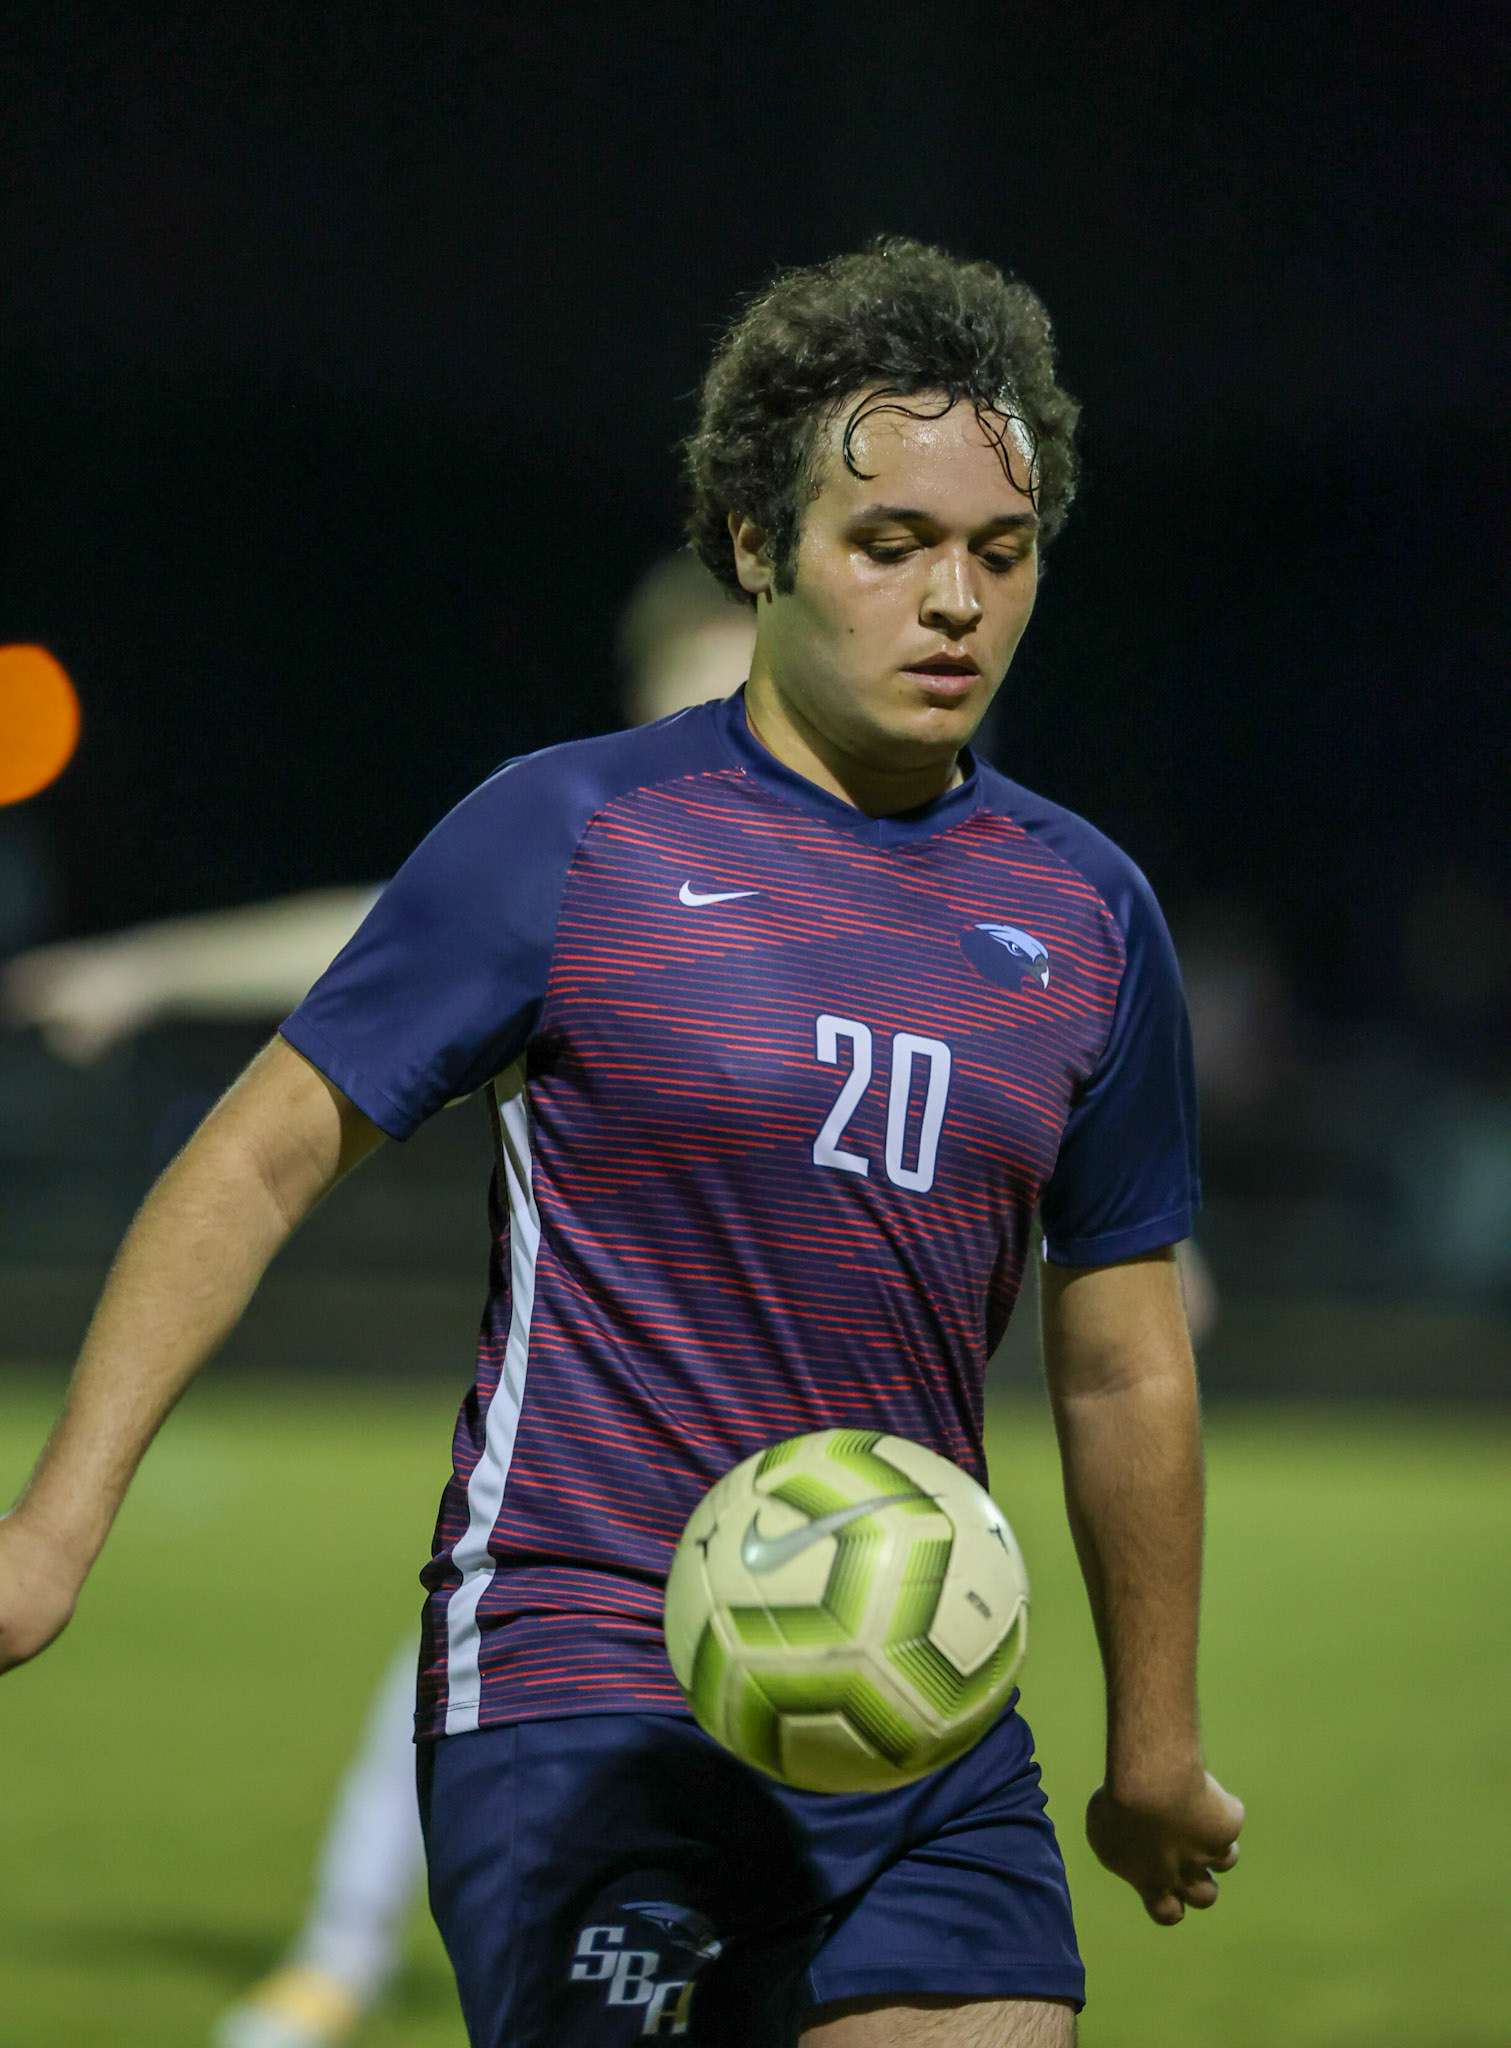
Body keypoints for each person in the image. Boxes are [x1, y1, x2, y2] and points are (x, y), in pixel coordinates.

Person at [0, 237, 1243, 2047]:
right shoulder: (571, 838)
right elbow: (257, 1158)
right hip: (589, 1673)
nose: (954, 602)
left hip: (922, 1699)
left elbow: (1125, 1364)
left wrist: (1156, 1745)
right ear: (757, 549)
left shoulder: (1091, 915)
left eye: (1000, 551)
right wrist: (54, 1524)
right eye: (888, 548)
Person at [2, 552, 756, 2048]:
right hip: (603, 1449)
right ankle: (340, 1958)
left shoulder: (912, 886)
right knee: (473, 1658)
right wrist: (152, 971)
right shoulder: (591, 849)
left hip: (843, 1450)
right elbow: (377, 934)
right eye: (693, 693)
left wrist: (1123, 1250)